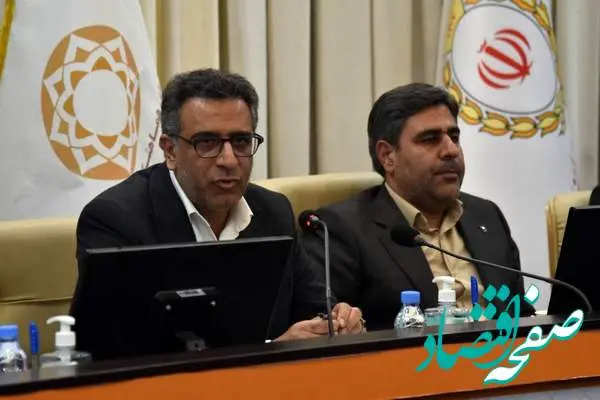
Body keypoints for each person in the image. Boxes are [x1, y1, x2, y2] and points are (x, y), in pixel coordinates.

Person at [70, 68, 364, 359]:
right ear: (170, 150)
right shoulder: (115, 220)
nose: (229, 160)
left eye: (241, 141)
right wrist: (272, 350)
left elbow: (314, 308)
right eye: (207, 142)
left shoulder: (274, 212)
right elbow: (115, 350)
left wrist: (337, 323)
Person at [301, 83, 535, 331]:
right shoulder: (341, 229)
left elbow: (520, 313)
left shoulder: (486, 215)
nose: (451, 150)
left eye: (454, 137)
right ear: (387, 156)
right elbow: (328, 328)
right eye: (430, 139)